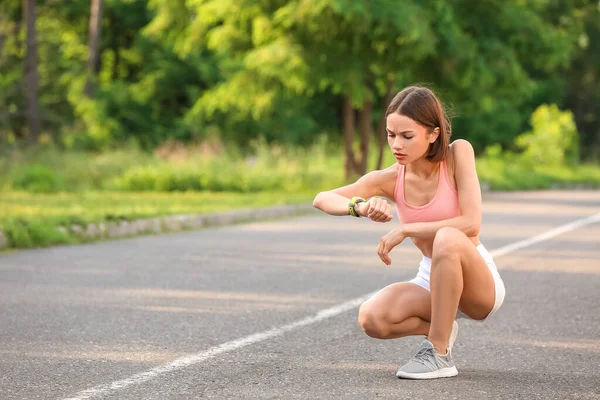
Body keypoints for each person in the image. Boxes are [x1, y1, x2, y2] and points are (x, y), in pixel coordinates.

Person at [312, 86, 506, 380]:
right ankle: (443, 327)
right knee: (372, 318)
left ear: (433, 134)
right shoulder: (390, 178)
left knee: (447, 237)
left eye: (407, 136)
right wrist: (360, 207)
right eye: (391, 135)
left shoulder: (457, 155)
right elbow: (323, 197)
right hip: (431, 278)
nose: (396, 145)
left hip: (475, 281)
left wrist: (406, 229)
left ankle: (439, 353)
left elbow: (471, 223)